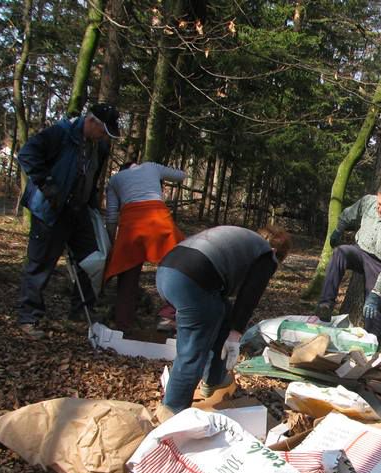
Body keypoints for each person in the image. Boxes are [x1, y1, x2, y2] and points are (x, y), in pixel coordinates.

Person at [157, 225, 291, 413]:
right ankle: (172, 412)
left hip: (166, 270)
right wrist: (235, 334)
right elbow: (250, 295)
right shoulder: (267, 254)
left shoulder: (244, 240)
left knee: (222, 311)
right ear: (276, 252)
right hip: (190, 281)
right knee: (192, 352)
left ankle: (213, 378)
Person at [16, 103, 120, 339]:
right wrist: (46, 183)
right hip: (50, 211)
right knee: (40, 263)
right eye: (103, 131)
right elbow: (27, 154)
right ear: (91, 121)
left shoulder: (97, 146)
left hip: (79, 212)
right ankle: (28, 317)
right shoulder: (60, 134)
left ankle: (81, 311)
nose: (105, 137)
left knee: (92, 260)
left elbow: (90, 178)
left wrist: (92, 204)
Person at [315, 181, 381, 338]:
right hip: (359, 251)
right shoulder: (368, 202)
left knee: (372, 309)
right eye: (379, 204)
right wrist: (338, 230)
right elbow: (348, 214)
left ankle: (371, 343)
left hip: (380, 264)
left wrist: (376, 293)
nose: (379, 209)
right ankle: (325, 305)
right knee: (340, 252)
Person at [104, 161, 186, 331]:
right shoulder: (149, 166)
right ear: (135, 165)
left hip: (131, 227)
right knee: (176, 268)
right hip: (159, 222)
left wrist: (111, 242)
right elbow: (181, 175)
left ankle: (123, 323)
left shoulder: (114, 181)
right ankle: (168, 316)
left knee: (127, 277)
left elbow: (111, 217)